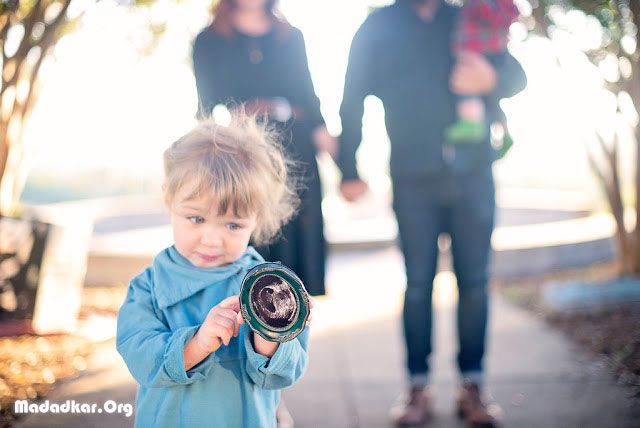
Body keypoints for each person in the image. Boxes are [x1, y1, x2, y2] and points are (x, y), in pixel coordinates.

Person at [337, 0, 527, 426]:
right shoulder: (377, 27)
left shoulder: (467, 16)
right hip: (412, 176)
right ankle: (416, 387)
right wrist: (348, 168)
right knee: (418, 284)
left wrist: (492, 76)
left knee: (475, 284)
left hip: (475, 172)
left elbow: (517, 75)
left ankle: (472, 385)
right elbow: (351, 99)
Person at [116, 112, 310, 427]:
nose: (212, 239)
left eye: (233, 224)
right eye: (196, 219)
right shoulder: (148, 287)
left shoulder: (270, 288)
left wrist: (271, 336)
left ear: (256, 220)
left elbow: (286, 374)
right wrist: (197, 344)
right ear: (170, 200)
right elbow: (142, 359)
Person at [192, 0, 335, 300]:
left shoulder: (290, 36)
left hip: (295, 152)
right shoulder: (208, 41)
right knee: (251, 245)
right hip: (242, 153)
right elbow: (206, 109)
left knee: (298, 255)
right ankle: (253, 342)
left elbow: (309, 98)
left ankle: (292, 343)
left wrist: (348, 168)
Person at [445, 0, 520, 158]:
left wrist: (493, 80)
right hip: (425, 168)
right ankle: (503, 132)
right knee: (489, 99)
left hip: (477, 167)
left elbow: (518, 78)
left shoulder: (457, 13)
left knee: (465, 83)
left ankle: (471, 123)